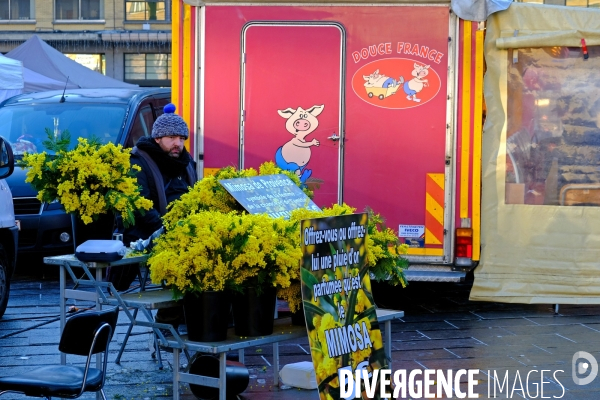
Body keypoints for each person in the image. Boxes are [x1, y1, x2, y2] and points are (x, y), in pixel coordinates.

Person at [108, 103, 197, 329]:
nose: (178, 143)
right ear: (157, 138)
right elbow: (142, 208)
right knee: (187, 259)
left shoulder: (187, 162)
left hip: (184, 231)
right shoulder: (138, 161)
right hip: (148, 234)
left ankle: (196, 318)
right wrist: (168, 231)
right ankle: (169, 324)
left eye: (181, 138)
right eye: (171, 138)